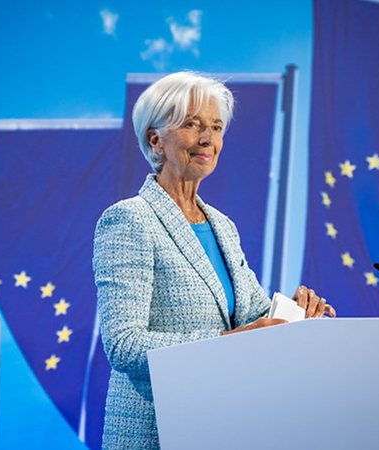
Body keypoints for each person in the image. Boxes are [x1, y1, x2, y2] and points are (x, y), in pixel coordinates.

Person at [93, 71, 335, 450]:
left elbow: (251, 315)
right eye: (192, 124)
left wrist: (296, 316)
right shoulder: (129, 220)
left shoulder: (222, 225)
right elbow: (124, 344)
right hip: (156, 433)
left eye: (216, 127)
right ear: (155, 140)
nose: (208, 138)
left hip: (223, 428)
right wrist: (224, 343)